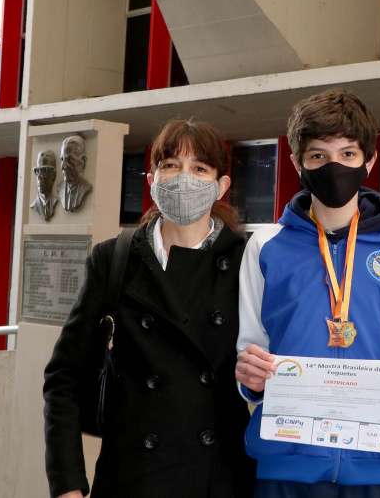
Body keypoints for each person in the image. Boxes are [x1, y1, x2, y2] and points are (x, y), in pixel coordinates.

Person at [235, 88, 380, 498]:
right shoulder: (266, 245)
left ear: (369, 160)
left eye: (348, 154)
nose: (334, 166)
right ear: (298, 162)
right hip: (286, 460)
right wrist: (251, 379)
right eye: (318, 155)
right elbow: (250, 348)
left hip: (373, 462)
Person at [43, 119, 256, 498]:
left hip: (218, 480)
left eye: (199, 168)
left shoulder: (249, 264)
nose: (182, 177)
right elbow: (65, 377)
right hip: (131, 478)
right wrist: (68, 485)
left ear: (221, 186)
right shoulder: (115, 259)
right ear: (152, 178)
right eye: (170, 165)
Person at [58, 134, 94, 212]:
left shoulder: (86, 188)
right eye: (62, 159)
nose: (63, 167)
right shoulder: (60, 188)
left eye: (69, 160)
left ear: (83, 161)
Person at [31, 150, 59, 221]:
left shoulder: (56, 201)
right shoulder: (35, 205)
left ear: (53, 175)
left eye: (44, 171)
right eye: (37, 171)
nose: (40, 176)